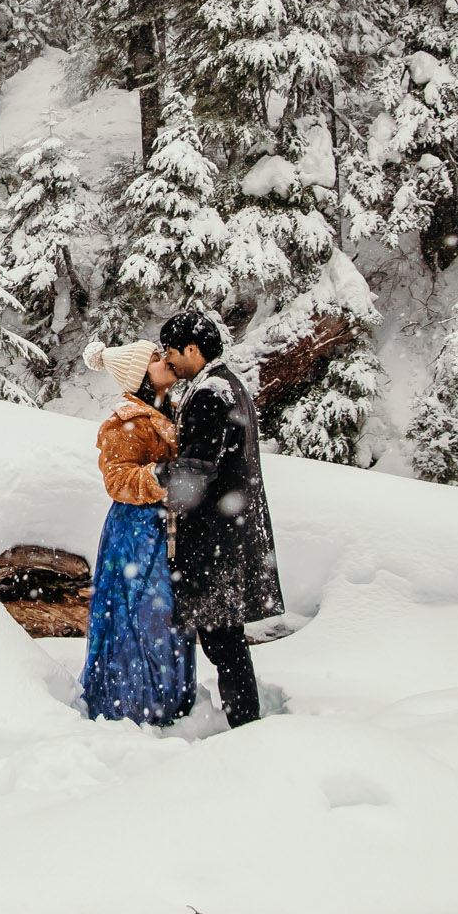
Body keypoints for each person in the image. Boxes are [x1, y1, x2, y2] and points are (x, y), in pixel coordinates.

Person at [154, 309, 285, 728]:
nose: (168, 359)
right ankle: (246, 722)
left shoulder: (211, 393)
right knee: (225, 639)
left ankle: (245, 727)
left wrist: (153, 480)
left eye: (172, 351)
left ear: (193, 349)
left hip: (213, 542)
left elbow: (195, 471)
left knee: (222, 641)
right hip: (229, 536)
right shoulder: (229, 385)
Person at [77, 337, 195, 724]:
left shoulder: (170, 410)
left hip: (166, 529)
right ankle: (129, 705)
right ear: (141, 374)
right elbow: (117, 480)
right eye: (157, 359)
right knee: (139, 613)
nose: (166, 361)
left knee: (167, 614)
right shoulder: (125, 421)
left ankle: (167, 699)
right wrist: (164, 476)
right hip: (136, 533)